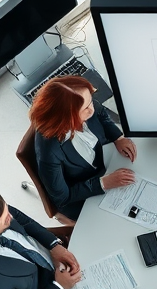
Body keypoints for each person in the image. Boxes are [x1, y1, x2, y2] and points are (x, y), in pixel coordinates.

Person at [30, 75, 138, 221]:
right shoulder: (49, 153)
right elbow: (63, 198)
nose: (92, 108)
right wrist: (103, 183)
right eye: (86, 107)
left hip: (104, 163)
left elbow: (100, 112)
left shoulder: (86, 104)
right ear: (66, 118)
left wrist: (118, 138)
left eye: (91, 101)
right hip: (82, 193)